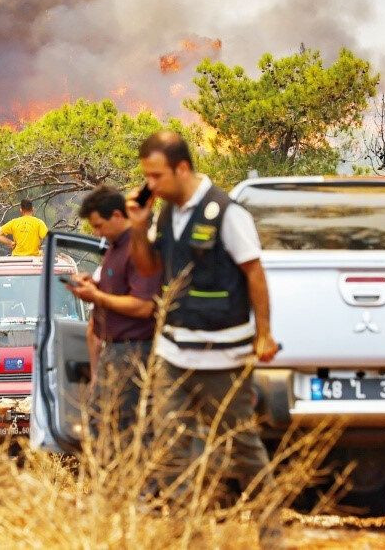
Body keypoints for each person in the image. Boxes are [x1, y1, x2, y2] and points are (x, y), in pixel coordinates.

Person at [126, 131, 280, 505]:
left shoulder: (227, 212)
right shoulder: (166, 214)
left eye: (157, 176)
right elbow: (149, 269)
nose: (151, 184)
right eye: (147, 176)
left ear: (182, 168)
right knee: (170, 442)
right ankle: (185, 531)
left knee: (241, 446)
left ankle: (270, 533)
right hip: (174, 352)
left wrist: (264, 334)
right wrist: (137, 226)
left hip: (222, 354)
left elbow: (255, 274)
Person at [64, 186, 162, 434]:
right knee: (100, 421)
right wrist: (93, 286)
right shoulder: (114, 248)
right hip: (113, 350)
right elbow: (116, 292)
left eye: (99, 226)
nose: (97, 233)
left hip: (134, 351)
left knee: (124, 425)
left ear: (118, 215)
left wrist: (96, 295)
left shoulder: (137, 248)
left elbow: (142, 306)